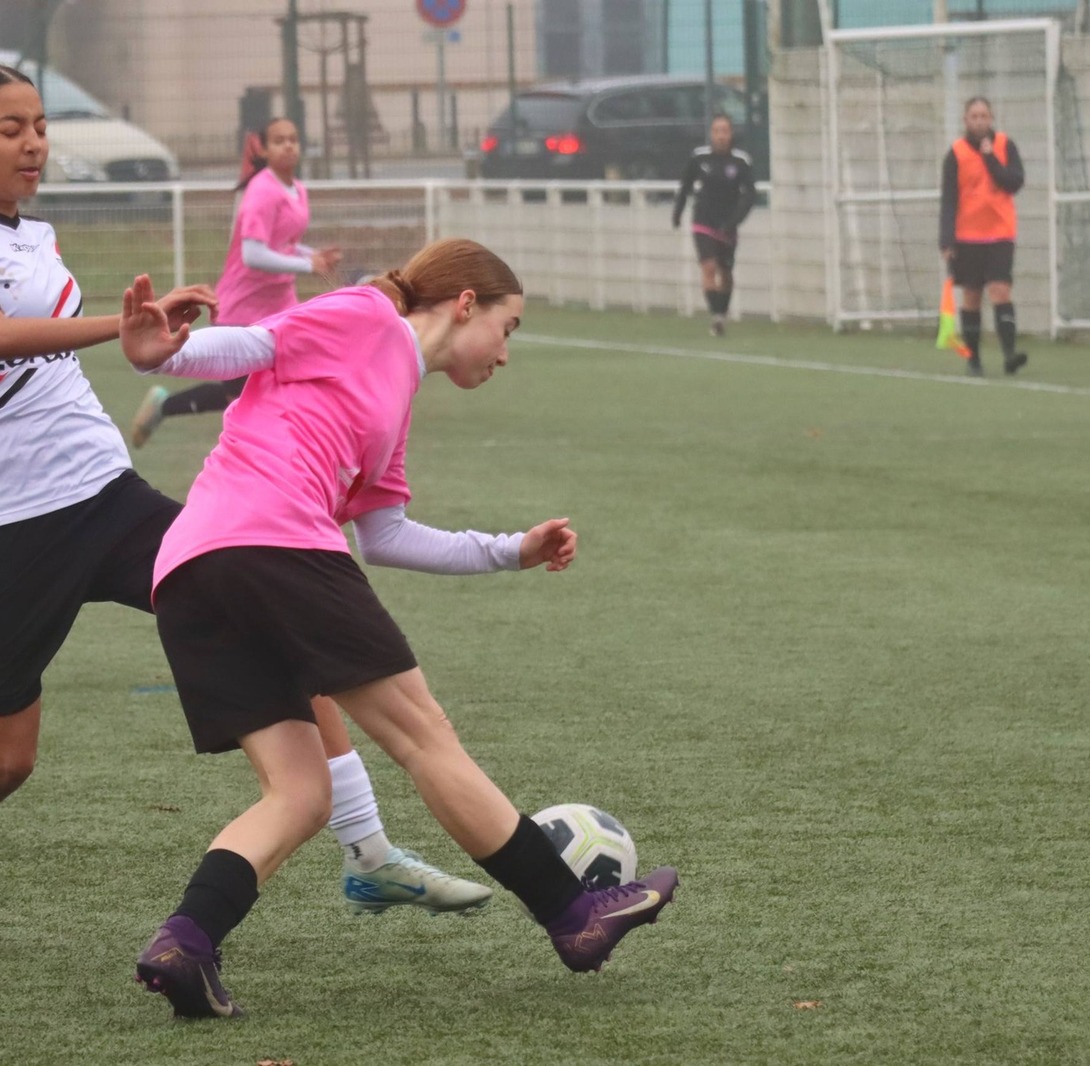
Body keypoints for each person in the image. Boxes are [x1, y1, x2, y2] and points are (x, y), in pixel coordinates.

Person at [0, 62, 483, 959]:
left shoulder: (37, 236)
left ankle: (367, 848)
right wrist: (121, 330)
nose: (33, 143)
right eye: (9, 128)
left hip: (102, 493)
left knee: (270, 610)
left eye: (40, 126)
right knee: (9, 759)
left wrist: (149, 329)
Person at [119, 239, 680, 1020]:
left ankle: (186, 942)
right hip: (274, 542)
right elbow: (256, 344)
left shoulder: (394, 399)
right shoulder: (367, 315)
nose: (506, 353)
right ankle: (573, 913)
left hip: (190, 571)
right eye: (509, 328)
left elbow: (385, 535)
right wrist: (163, 355)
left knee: (300, 793)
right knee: (423, 737)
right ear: (465, 304)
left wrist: (510, 551)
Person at [129, 117, 341, 448]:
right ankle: (164, 406)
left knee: (286, 379)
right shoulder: (262, 190)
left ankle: (289, 445)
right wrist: (306, 265)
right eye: (279, 140)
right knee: (237, 394)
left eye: (293, 139)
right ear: (264, 150)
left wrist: (312, 255)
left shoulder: (298, 189)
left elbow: (282, 241)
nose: (288, 145)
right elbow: (253, 254)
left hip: (280, 304)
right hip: (243, 305)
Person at [940, 96, 1027, 377]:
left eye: (984, 116)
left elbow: (1014, 182)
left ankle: (1010, 355)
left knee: (1000, 290)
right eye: (974, 116)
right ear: (966, 120)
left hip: (1000, 233)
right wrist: (946, 239)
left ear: (991, 118)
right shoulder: (955, 153)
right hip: (968, 236)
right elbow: (949, 199)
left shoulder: (1005, 145)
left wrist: (990, 158)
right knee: (972, 295)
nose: (979, 121)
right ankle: (973, 358)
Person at [672, 113, 756, 337]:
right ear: (711, 133)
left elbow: (750, 195)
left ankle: (722, 313)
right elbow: (685, 186)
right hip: (703, 221)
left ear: (731, 134)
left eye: (724, 131)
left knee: (725, 272)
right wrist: (678, 212)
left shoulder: (741, 161)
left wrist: (735, 220)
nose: (720, 136)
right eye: (717, 131)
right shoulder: (699, 158)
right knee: (708, 267)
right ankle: (716, 317)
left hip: (727, 225)